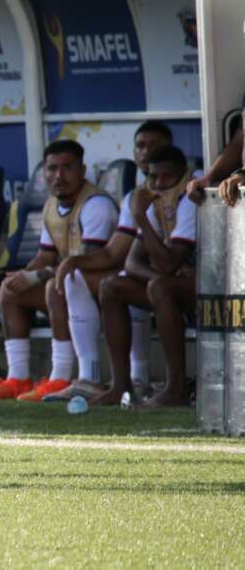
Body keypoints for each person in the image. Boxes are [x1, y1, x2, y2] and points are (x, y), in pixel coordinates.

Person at [0, 140, 118, 402]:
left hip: (103, 291)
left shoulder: (97, 204)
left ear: (82, 170)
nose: (58, 176)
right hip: (69, 284)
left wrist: (36, 276)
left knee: (56, 285)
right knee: (11, 290)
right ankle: (17, 378)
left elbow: (88, 260)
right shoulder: (52, 204)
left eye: (67, 168)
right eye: (52, 169)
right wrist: (23, 276)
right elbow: (46, 256)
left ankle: (60, 377)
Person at [49, 121, 174, 401]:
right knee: (90, 278)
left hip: (184, 279)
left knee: (136, 279)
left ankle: (140, 377)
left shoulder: (193, 186)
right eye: (141, 145)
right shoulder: (134, 197)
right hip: (155, 277)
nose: (146, 151)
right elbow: (114, 253)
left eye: (155, 144)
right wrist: (73, 262)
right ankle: (89, 378)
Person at [97, 145, 197, 407]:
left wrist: (139, 216)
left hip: (213, 284)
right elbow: (132, 262)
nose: (159, 184)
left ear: (183, 175)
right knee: (111, 286)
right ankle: (120, 386)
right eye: (152, 177)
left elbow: (168, 263)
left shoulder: (191, 197)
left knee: (160, 287)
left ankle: (175, 389)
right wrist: (157, 277)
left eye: (166, 177)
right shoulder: (154, 202)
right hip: (179, 282)